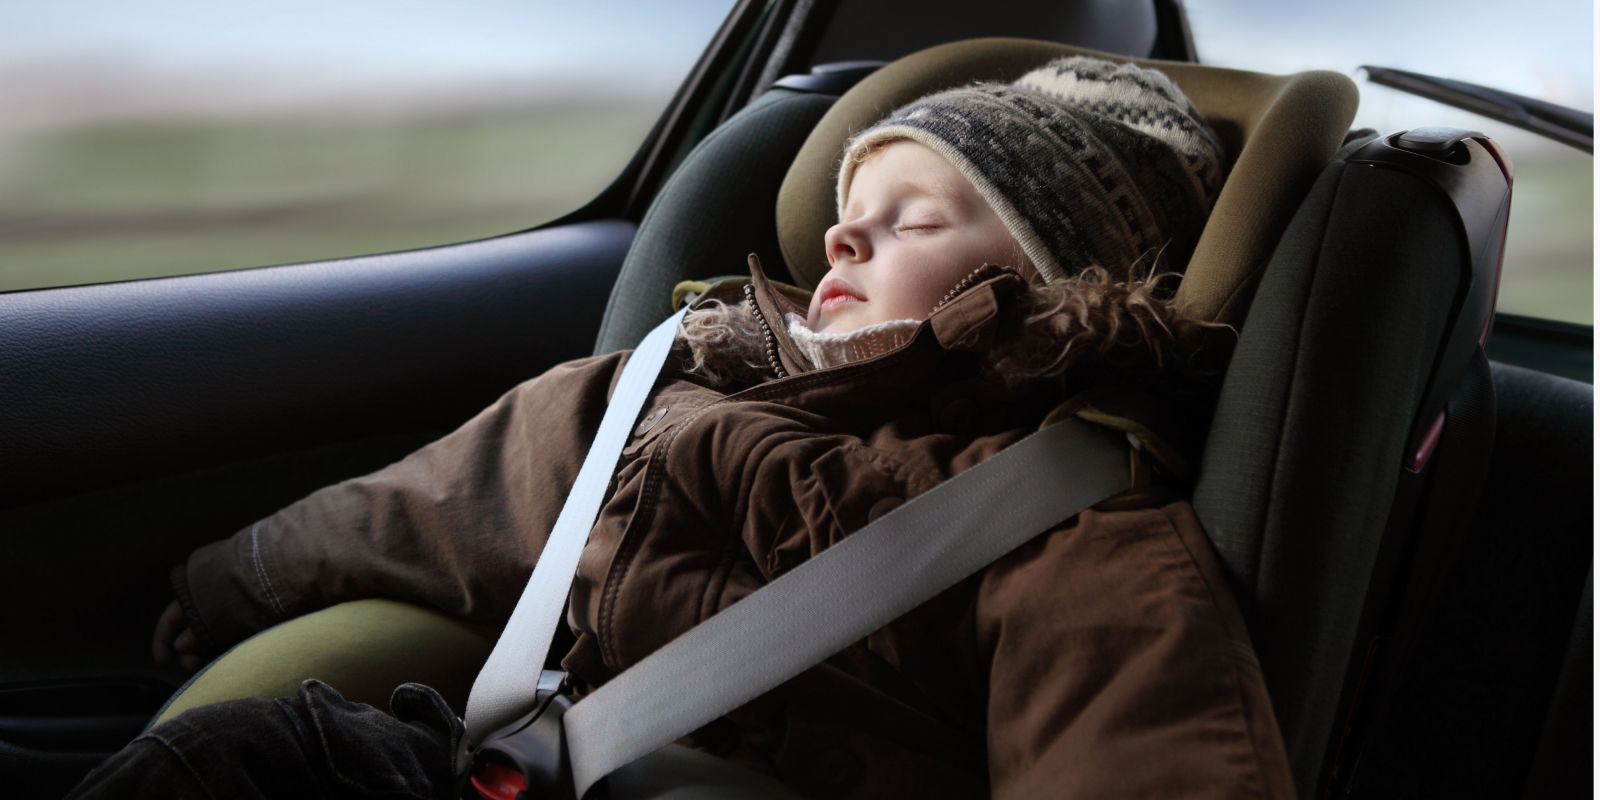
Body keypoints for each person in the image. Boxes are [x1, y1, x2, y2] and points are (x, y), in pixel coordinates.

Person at [73, 55, 1292, 798]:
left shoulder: (1069, 524)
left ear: (1047, 285)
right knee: (240, 759)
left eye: (912, 219)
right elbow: (449, 494)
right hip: (522, 761)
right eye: (846, 210)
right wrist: (244, 574)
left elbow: (1138, 745)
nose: (841, 236)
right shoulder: (668, 387)